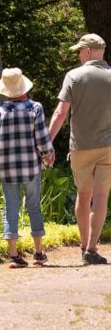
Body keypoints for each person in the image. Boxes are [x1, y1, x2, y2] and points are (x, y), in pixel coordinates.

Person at [49, 33, 111, 265]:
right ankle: (92, 249)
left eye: (79, 51)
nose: (78, 55)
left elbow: (60, 113)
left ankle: (84, 245)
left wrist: (47, 143)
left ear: (87, 51)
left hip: (81, 147)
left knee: (83, 195)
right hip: (108, 146)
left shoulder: (74, 76)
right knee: (102, 195)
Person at [0, 67, 55, 268]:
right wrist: (48, 155)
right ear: (24, 87)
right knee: (34, 207)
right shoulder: (35, 108)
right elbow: (43, 140)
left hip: (7, 169)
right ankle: (38, 252)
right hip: (30, 167)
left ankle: (13, 255)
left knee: (11, 207)